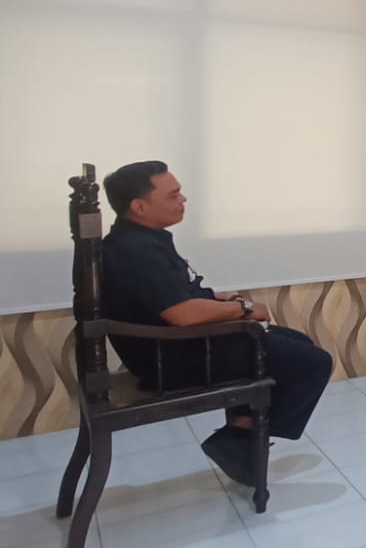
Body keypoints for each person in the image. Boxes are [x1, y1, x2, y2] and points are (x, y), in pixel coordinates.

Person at [99, 161, 333, 488]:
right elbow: (182, 314)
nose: (183, 200)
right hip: (172, 359)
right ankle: (240, 438)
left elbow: (173, 296)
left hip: (174, 346)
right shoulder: (136, 250)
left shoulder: (137, 239)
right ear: (139, 207)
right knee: (314, 363)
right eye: (173, 195)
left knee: (297, 345)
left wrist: (215, 298)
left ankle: (242, 431)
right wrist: (244, 309)